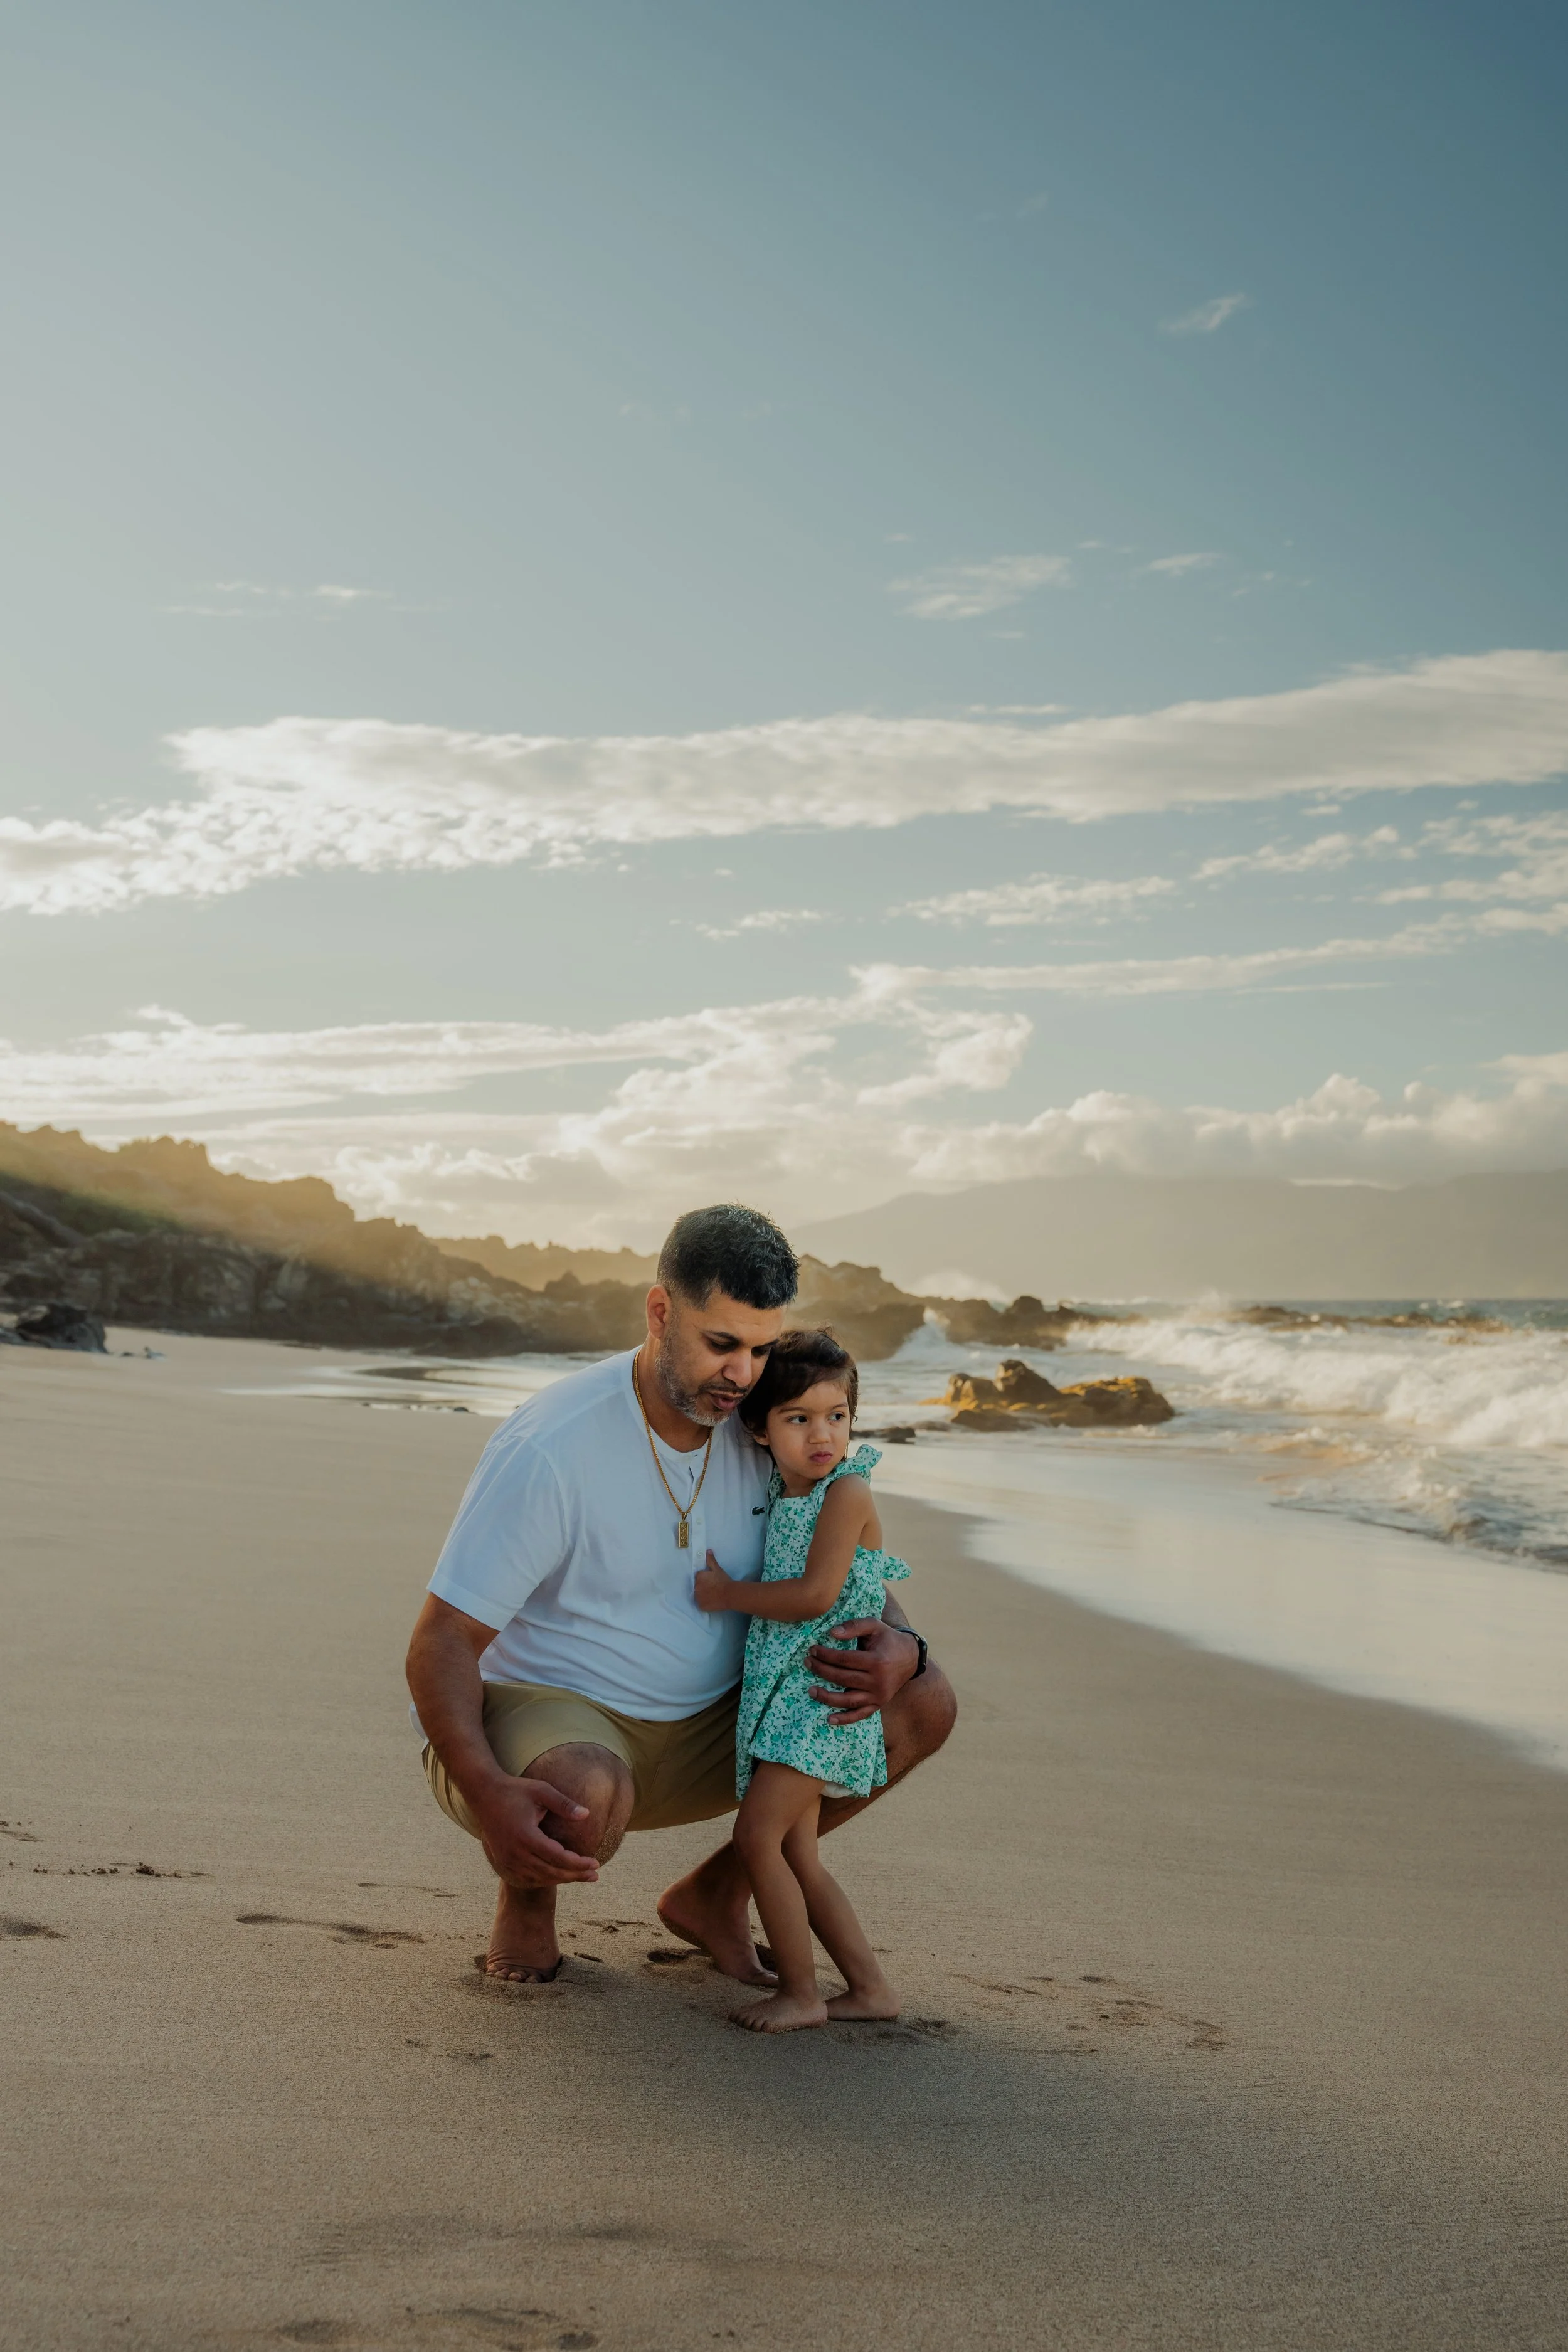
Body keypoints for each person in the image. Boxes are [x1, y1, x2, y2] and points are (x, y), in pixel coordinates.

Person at [405, 1203, 956, 1984]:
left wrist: (902, 1644)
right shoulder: (554, 1445)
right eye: (721, 1344)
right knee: (582, 1789)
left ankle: (716, 1893)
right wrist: (488, 1790)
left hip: (725, 1720)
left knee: (923, 1700)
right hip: (565, 1726)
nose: (742, 1375)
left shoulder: (771, 1425)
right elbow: (441, 1641)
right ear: (660, 1311)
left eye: (762, 1350)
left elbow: (842, 1565)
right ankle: (525, 1910)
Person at [694, 1327, 905, 2032]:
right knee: (796, 1853)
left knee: (758, 1840)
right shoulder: (785, 1493)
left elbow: (816, 1596)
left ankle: (801, 1993)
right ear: (758, 1427)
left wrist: (729, 1596)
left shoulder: (844, 1492)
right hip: (787, 1693)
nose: (823, 1435)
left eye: (836, 1416)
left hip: (817, 1696)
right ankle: (870, 1991)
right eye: (799, 1418)